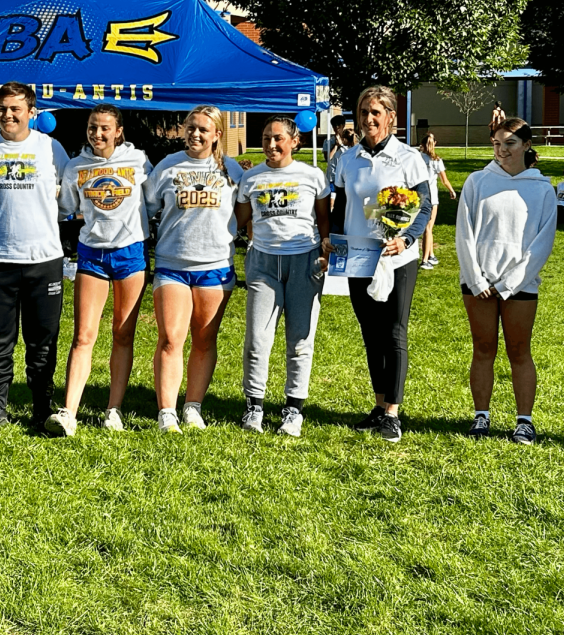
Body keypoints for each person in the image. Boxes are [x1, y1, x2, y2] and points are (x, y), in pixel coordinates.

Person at [324, 85, 432, 443]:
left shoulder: (409, 158)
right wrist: (335, 245)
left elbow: (425, 206)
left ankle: (393, 413)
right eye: (363, 112)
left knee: (394, 331)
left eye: (375, 112)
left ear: (391, 117)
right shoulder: (348, 158)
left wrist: (406, 238)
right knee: (371, 333)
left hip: (396, 258)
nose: (368, 119)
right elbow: (342, 208)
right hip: (357, 257)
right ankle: (378, 404)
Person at [0, 82, 69, 433]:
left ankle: (41, 406)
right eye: (2, 109)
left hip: (44, 257)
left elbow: (69, 196)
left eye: (16, 109)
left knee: (42, 339)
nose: (8, 115)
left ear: (31, 112)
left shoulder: (52, 149)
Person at [48, 104, 151, 437]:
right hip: (91, 254)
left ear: (118, 131)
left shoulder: (139, 161)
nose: (98, 134)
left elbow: (160, 193)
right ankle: (69, 412)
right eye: (93, 127)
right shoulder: (77, 166)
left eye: (105, 128)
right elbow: (66, 208)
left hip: (131, 253)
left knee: (122, 334)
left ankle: (113, 410)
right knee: (83, 336)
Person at [455, 119, 557, 444]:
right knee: (483, 349)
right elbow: (464, 234)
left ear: (527, 145)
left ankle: (524, 421)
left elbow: (542, 244)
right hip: (478, 285)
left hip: (520, 286)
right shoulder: (476, 182)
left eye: (510, 143)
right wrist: (476, 278)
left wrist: (509, 283)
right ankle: (481, 417)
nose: (502, 150)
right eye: (497, 144)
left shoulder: (542, 189)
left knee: (519, 351)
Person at [144, 105, 244, 433]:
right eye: (191, 128)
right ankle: (167, 412)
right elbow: (146, 208)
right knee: (171, 338)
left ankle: (193, 406)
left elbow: (245, 215)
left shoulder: (233, 172)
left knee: (204, 339)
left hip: (215, 266)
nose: (196, 134)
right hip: (173, 264)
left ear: (217, 134)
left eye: (203, 129)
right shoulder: (168, 167)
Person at [235, 116, 330, 437]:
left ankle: (293, 410)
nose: (271, 145)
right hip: (263, 263)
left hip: (305, 262)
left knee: (300, 340)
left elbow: (324, 220)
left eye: (277, 138)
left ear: (294, 142)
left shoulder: (312, 176)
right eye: (265, 139)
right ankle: (254, 407)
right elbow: (239, 220)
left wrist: (325, 250)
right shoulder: (251, 178)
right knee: (257, 338)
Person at [417, 132, 457, 269]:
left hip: (418, 196)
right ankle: (425, 260)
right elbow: (444, 180)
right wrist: (451, 190)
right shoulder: (436, 160)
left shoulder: (418, 158)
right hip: (432, 198)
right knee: (428, 228)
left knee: (428, 228)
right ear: (434, 144)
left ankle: (431, 254)